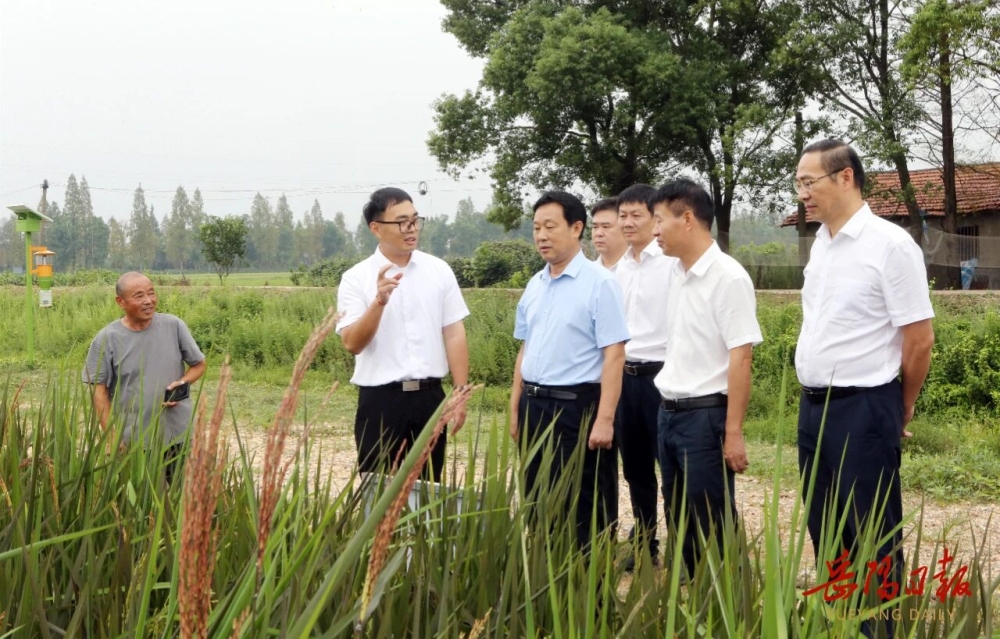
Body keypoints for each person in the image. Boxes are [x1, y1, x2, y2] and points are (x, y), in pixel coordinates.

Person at [795, 139, 934, 634]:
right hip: (813, 409)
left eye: (809, 182)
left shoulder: (890, 246)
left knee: (873, 534)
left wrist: (901, 406)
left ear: (846, 177)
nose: (802, 193)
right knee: (827, 530)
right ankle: (842, 624)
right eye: (798, 183)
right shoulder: (822, 244)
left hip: (864, 407)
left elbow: (919, 340)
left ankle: (881, 629)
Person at [649, 179, 761, 577]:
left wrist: (733, 432)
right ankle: (695, 589)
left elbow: (741, 357)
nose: (654, 230)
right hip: (669, 412)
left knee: (711, 514)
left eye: (659, 220)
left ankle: (727, 596)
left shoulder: (728, 277)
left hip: (704, 416)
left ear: (687, 219)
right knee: (677, 509)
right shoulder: (676, 273)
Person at [510, 190, 630, 550]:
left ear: (576, 228)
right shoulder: (535, 284)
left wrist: (605, 419)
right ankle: (544, 569)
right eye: (536, 228)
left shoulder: (600, 283)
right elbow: (525, 349)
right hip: (534, 404)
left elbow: (614, 355)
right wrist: (515, 407)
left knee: (585, 500)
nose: (541, 236)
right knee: (537, 496)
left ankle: (589, 575)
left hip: (577, 408)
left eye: (550, 226)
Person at [337, 187, 470, 482]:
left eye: (414, 220)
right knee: (378, 491)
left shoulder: (439, 270)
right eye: (401, 222)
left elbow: (454, 332)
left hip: (429, 399)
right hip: (380, 402)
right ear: (376, 228)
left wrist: (460, 392)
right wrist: (379, 302)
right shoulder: (355, 278)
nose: (411, 228)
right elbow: (352, 343)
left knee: (428, 490)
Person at [83, 272, 206, 483]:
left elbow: (199, 364)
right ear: (120, 302)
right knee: (143, 497)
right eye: (139, 296)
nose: (148, 301)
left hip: (179, 433)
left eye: (151, 293)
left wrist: (181, 383)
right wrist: (112, 437)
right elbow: (99, 392)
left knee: (183, 494)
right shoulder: (107, 339)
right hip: (135, 439)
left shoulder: (173, 325)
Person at [613, 183, 677, 571]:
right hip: (625, 377)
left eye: (636, 215)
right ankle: (644, 542)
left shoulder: (670, 262)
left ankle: (682, 549)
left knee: (669, 466)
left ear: (654, 218)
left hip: (662, 376)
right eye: (622, 215)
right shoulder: (618, 268)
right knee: (635, 467)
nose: (628, 222)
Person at [590, 197, 627, 271]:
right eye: (595, 227)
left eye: (606, 227)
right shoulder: (587, 271)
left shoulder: (641, 268)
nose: (598, 233)